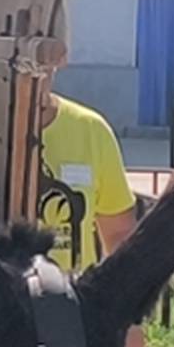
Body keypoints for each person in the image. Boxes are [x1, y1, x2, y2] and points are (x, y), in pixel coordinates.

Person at [33, 87, 139, 267]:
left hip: (74, 291)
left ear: (63, 59)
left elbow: (119, 235)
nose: (36, 64)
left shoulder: (92, 129)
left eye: (48, 57)